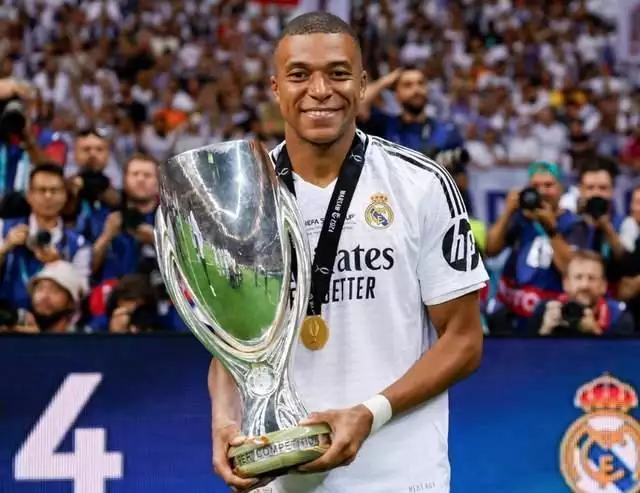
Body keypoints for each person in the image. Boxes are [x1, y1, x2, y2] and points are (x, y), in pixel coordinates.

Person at [209, 12, 487, 493]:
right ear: (276, 88)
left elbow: (464, 341)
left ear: (361, 84)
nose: (319, 90)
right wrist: (224, 422)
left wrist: (370, 413)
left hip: (399, 478)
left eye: (338, 73)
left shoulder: (421, 184)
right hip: (279, 478)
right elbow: (233, 347)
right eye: (299, 75)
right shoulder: (242, 197)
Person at [528, 251, 633, 336]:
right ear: (566, 283)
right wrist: (545, 330)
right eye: (578, 277)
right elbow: (529, 354)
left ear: (603, 286)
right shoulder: (544, 310)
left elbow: (621, 355)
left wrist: (594, 332)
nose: (584, 285)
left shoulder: (618, 318)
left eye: (591, 278)